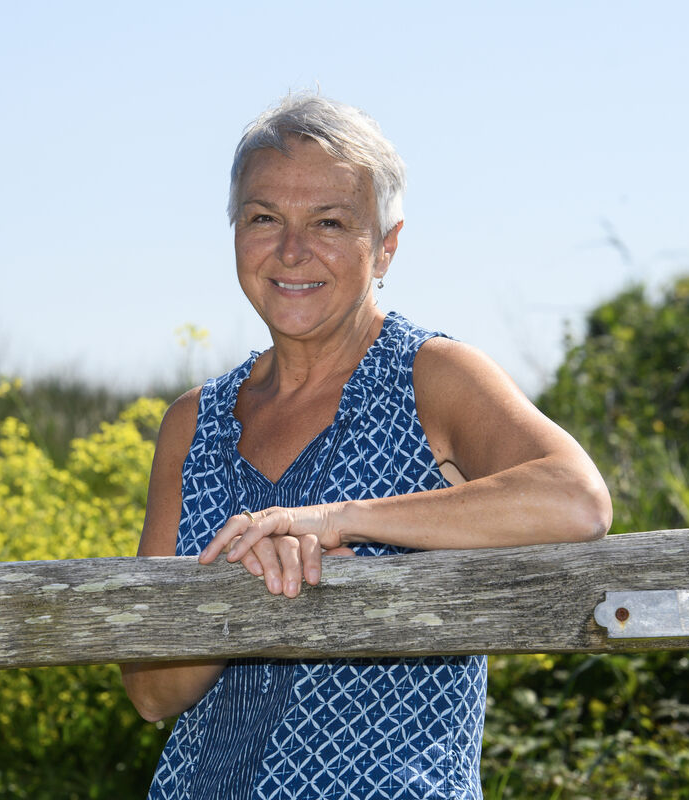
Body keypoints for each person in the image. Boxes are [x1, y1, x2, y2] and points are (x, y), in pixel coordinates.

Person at [121, 93, 612, 800]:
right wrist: (243, 579)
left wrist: (335, 520)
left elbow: (576, 500)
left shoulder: (431, 376)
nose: (292, 250)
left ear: (385, 245)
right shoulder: (192, 424)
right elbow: (151, 691)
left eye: (330, 222)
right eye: (264, 218)